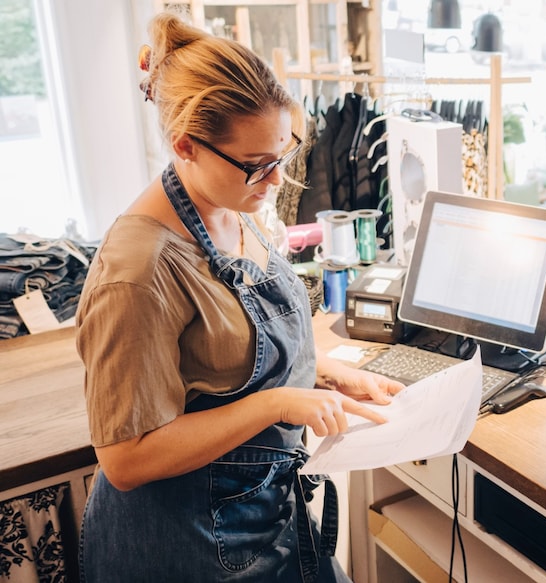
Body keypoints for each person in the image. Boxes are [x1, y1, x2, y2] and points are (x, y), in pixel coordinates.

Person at [75, 12, 403, 582]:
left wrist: (319, 371)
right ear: (187, 146)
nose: (276, 181)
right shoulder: (138, 272)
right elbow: (125, 459)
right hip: (187, 546)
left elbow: (221, 350)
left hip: (263, 514)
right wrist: (276, 403)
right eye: (257, 166)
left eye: (283, 154)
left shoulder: (228, 203)